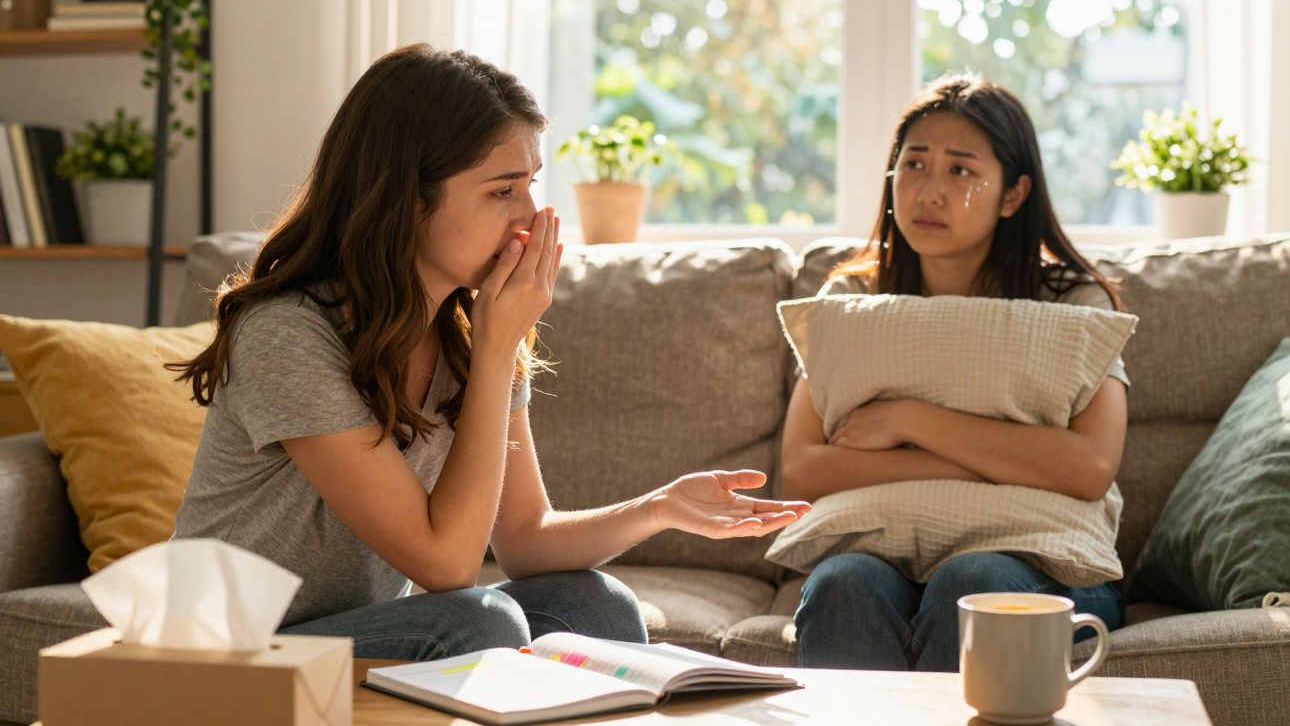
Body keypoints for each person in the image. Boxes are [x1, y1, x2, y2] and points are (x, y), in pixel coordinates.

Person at [168, 44, 810, 660]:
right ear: (407, 201)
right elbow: (444, 563)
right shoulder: (288, 334)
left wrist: (661, 507)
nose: (530, 216)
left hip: (344, 636)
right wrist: (498, 351)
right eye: (502, 191)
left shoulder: (464, 331)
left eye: (531, 184)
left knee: (596, 604)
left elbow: (525, 541)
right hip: (221, 652)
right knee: (478, 620)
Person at [781, 74, 1128, 672]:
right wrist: (1003, 464)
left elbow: (1089, 467)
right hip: (879, 549)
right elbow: (804, 468)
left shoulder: (1075, 304)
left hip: (1042, 558)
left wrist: (909, 419)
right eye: (913, 165)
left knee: (974, 584)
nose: (929, 192)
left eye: (960, 171)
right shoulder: (849, 298)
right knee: (842, 584)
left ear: (1013, 195)